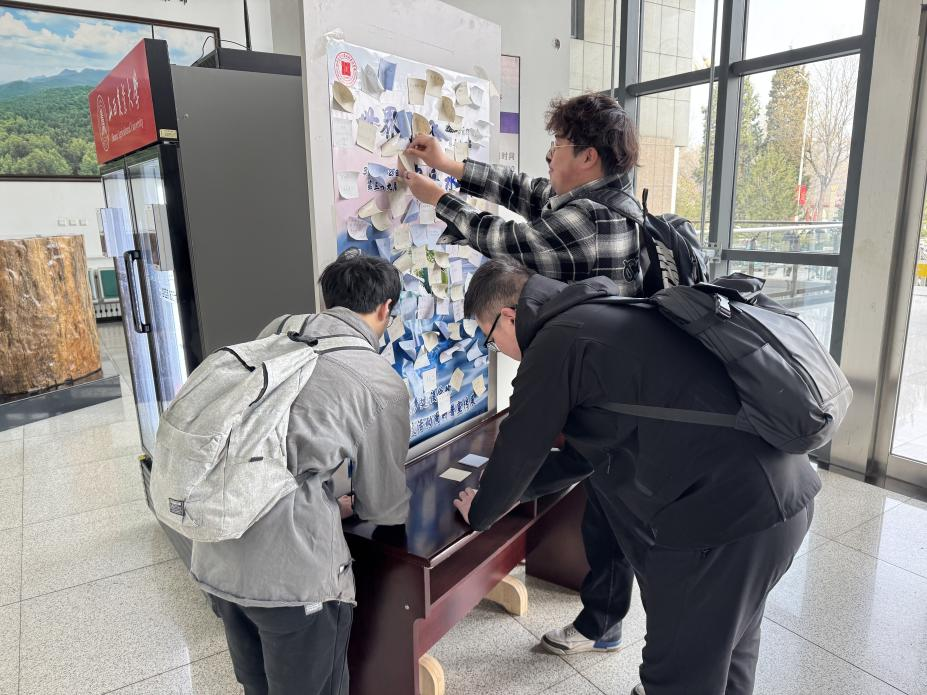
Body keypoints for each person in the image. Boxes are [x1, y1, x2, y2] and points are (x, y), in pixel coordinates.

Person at [454, 259, 821, 695]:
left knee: (677, 680)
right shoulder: (606, 311)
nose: (496, 348)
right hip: (780, 498)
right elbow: (585, 456)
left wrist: (482, 510)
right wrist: (509, 495)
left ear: (509, 316)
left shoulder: (555, 343)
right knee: (728, 656)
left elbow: (520, 446)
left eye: (490, 337)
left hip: (722, 524)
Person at [401, 92, 643, 655]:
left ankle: (606, 625)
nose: (549, 157)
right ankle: (604, 622)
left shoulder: (591, 222)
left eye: (557, 145)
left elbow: (512, 242)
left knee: (612, 513)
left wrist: (440, 199)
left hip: (617, 406)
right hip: (609, 390)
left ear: (587, 156)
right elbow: (525, 191)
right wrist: (450, 165)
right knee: (599, 505)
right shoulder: (601, 199)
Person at [189, 251, 412, 695]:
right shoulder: (380, 382)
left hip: (216, 550)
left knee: (257, 687)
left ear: (327, 300)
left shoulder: (279, 329)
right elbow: (384, 506)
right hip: (291, 578)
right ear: (386, 307)